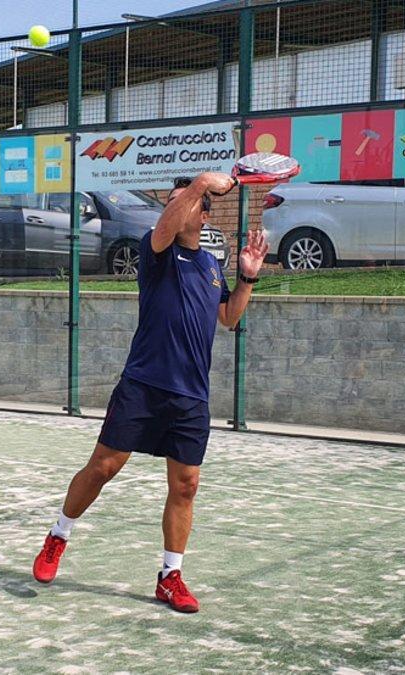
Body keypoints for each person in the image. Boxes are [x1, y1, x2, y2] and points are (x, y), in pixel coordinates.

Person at [31, 173, 269, 613]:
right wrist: (198, 184)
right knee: (102, 468)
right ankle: (58, 535)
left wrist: (247, 280)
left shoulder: (211, 265)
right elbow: (165, 228)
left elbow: (228, 319)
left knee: (186, 485)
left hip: (191, 396)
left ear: (204, 215)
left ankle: (169, 576)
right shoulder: (156, 249)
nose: (174, 209)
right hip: (143, 385)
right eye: (173, 202)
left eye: (187, 202)